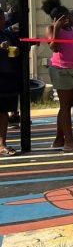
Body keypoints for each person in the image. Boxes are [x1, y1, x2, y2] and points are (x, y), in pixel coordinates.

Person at [43, 0, 73, 151]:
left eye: (68, 16)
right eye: (63, 18)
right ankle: (69, 141)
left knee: (66, 106)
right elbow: (54, 47)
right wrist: (57, 27)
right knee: (65, 107)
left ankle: (58, 140)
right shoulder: (52, 29)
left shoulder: (72, 28)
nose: (67, 20)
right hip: (62, 70)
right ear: (55, 19)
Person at [0, 11, 20, 155]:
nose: (1, 21)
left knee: (3, 111)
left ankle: (2, 143)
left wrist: (16, 51)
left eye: (2, 18)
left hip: (7, 76)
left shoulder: (7, 34)